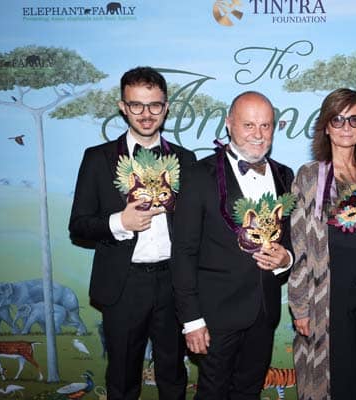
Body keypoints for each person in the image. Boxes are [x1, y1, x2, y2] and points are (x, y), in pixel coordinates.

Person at [69, 66, 195, 400]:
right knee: (122, 378)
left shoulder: (186, 160)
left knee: (173, 374)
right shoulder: (97, 159)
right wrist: (119, 223)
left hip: (174, 284)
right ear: (122, 107)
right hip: (123, 285)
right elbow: (79, 224)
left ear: (166, 107)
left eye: (154, 105)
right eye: (136, 105)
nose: (146, 114)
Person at [172, 91, 294, 399]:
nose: (258, 134)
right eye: (248, 125)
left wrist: (286, 260)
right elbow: (183, 252)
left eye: (265, 126)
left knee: (248, 393)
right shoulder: (199, 175)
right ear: (229, 124)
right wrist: (192, 320)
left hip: (264, 314)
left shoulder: (284, 175)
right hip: (215, 317)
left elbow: (289, 238)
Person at [288, 88, 356, 400]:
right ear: (325, 125)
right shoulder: (309, 176)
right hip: (329, 290)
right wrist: (300, 306)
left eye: (355, 119)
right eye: (338, 119)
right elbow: (299, 245)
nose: (346, 127)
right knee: (337, 373)